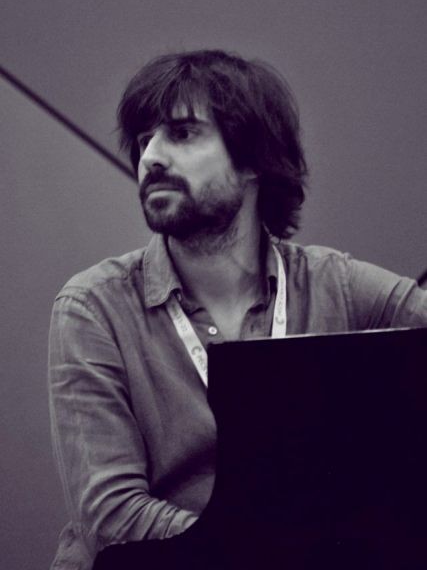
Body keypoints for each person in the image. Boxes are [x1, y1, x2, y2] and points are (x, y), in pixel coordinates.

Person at [48, 49, 427, 569]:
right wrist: (264, 548)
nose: (150, 157)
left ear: (253, 160)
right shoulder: (92, 307)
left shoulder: (334, 284)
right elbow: (113, 516)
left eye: (181, 133)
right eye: (144, 140)